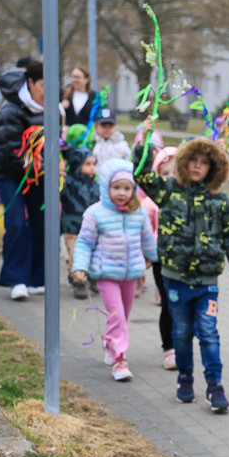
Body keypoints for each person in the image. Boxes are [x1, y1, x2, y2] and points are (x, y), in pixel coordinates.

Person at [134, 122, 229, 412]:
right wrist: (145, 141)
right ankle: (185, 378)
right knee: (183, 333)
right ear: (184, 163)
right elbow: (141, 174)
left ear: (213, 167)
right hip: (175, 279)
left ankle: (215, 385)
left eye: (204, 163)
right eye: (193, 161)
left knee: (209, 332)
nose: (198, 166)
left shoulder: (220, 200)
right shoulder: (169, 191)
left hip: (207, 283)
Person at [71, 159, 157, 381]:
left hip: (131, 275)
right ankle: (120, 360)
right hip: (106, 274)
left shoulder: (138, 213)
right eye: (116, 187)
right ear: (106, 187)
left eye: (127, 188)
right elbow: (84, 243)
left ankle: (109, 342)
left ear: (134, 189)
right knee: (117, 315)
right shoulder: (95, 213)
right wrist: (80, 267)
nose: (121, 193)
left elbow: (148, 239)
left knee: (122, 316)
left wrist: (154, 258)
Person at [0, 62, 46, 300]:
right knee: (17, 224)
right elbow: (4, 150)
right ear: (30, 83)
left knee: (41, 224)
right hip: (10, 175)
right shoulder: (10, 111)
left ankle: (36, 278)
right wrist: (30, 162)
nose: (47, 91)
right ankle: (16, 279)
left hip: (38, 176)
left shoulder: (46, 109)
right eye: (43, 85)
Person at [137, 145, 178, 370]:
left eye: (175, 173)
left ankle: (182, 341)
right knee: (168, 303)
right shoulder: (150, 205)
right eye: (164, 174)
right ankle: (169, 348)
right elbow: (146, 232)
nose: (170, 178)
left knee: (182, 305)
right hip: (161, 259)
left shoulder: (188, 200)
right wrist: (147, 255)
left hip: (184, 260)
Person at [60, 146, 100, 299]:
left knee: (94, 252)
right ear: (77, 164)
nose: (92, 168)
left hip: (91, 228)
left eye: (93, 164)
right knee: (75, 254)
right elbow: (60, 194)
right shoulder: (68, 183)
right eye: (87, 164)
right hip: (72, 226)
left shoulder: (94, 185)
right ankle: (78, 281)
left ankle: (93, 276)